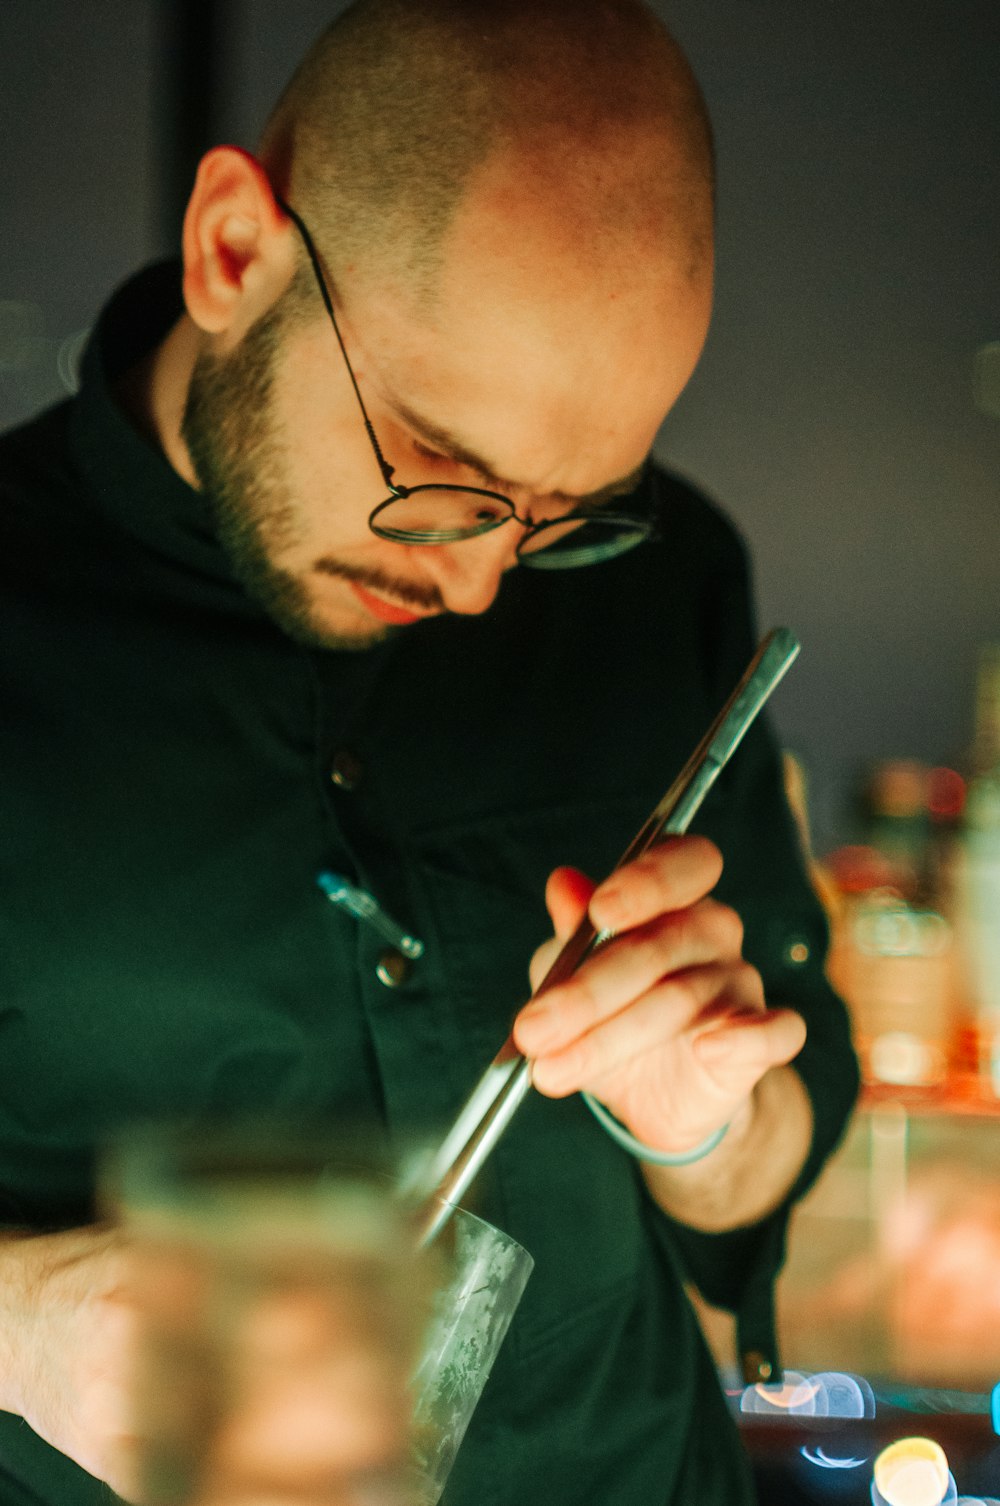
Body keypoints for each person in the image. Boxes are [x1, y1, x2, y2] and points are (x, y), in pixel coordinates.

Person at [0, 0, 860, 1502]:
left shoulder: (665, 581)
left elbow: (764, 1168)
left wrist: (703, 1121)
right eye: (442, 474)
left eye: (568, 512)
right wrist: (16, 1326)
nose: (476, 587)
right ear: (232, 252)